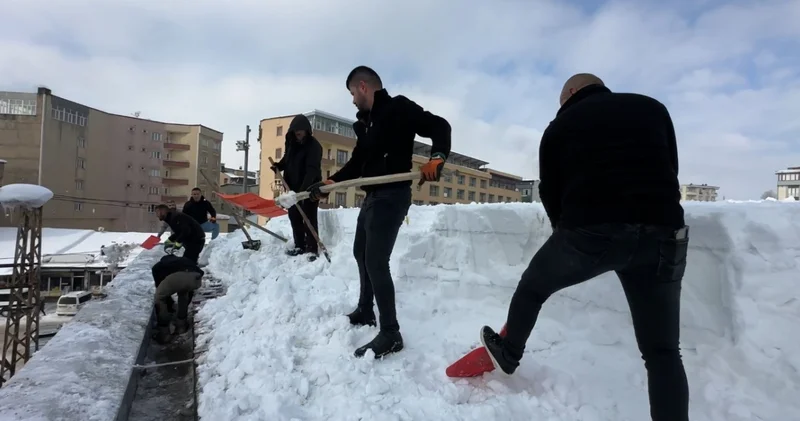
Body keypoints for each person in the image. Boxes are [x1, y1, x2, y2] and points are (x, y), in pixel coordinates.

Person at [479, 73, 689, 421]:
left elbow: (550, 191)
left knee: (532, 287)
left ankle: (509, 353)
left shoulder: (560, 126)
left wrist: (564, 231)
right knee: (663, 351)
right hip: (665, 234)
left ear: (572, 94)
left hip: (591, 232)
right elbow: (671, 168)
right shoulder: (653, 108)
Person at [306, 66, 451, 358]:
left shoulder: (399, 108)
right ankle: (365, 309)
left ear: (362, 86)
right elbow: (358, 164)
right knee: (361, 252)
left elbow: (440, 127)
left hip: (394, 194)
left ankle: (391, 332)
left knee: (376, 260)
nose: (352, 100)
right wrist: (330, 183)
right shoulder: (366, 126)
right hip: (373, 196)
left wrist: (437, 157)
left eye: (351, 93)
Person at [270, 114, 323, 261]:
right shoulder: (292, 144)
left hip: (310, 188)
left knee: (309, 217)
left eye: (300, 129)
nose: (297, 132)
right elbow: (287, 160)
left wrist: (301, 192)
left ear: (306, 130)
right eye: (295, 130)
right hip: (292, 189)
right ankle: (300, 245)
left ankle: (312, 249)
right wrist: (278, 166)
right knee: (294, 216)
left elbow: (312, 170)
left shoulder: (314, 146)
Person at [153, 269, 203, 344]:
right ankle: (181, 326)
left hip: (182, 276)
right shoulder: (177, 263)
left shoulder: (157, 268)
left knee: (159, 297)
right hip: (196, 279)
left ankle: (165, 333)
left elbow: (160, 286)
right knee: (183, 293)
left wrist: (169, 306)